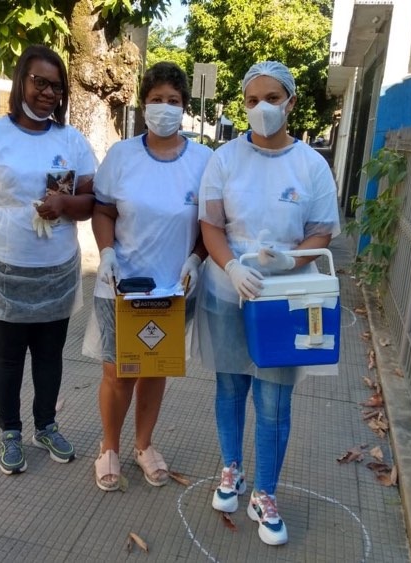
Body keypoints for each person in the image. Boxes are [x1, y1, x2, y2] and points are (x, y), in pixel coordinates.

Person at [193, 61, 340, 545]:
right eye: (252, 100)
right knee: (231, 386)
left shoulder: (311, 165)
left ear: (291, 102)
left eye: (272, 98)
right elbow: (210, 224)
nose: (262, 109)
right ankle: (231, 469)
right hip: (228, 290)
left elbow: (321, 229)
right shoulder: (224, 159)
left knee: (274, 399)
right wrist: (232, 266)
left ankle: (266, 492)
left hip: (284, 298)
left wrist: (289, 262)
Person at [0, 45, 97, 475]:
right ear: (21, 83)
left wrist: (65, 206)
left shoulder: (71, 141)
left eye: (56, 86)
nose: (48, 93)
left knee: (50, 354)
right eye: (40, 82)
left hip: (56, 269)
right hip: (5, 268)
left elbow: (90, 201)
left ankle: (46, 425)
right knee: (8, 356)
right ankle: (10, 432)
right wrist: (5, 223)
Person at [82, 62, 213, 492]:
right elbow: (102, 209)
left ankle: (144, 445)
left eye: (173, 101)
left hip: (174, 288)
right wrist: (105, 254)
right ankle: (109, 448)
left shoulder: (203, 161)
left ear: (185, 109)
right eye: (156, 100)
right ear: (143, 106)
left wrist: (196, 259)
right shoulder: (122, 157)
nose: (164, 108)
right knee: (118, 372)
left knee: (155, 369)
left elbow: (213, 224)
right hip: (121, 285)